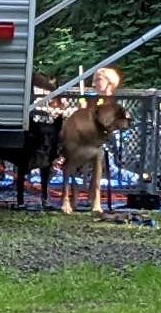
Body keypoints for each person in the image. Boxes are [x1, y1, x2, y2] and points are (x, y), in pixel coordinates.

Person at [53, 65, 124, 212]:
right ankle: (66, 197)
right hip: (82, 139)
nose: (93, 84)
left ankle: (95, 198)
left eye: (98, 80)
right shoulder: (90, 100)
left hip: (102, 143)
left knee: (98, 154)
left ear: (109, 82)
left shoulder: (116, 103)